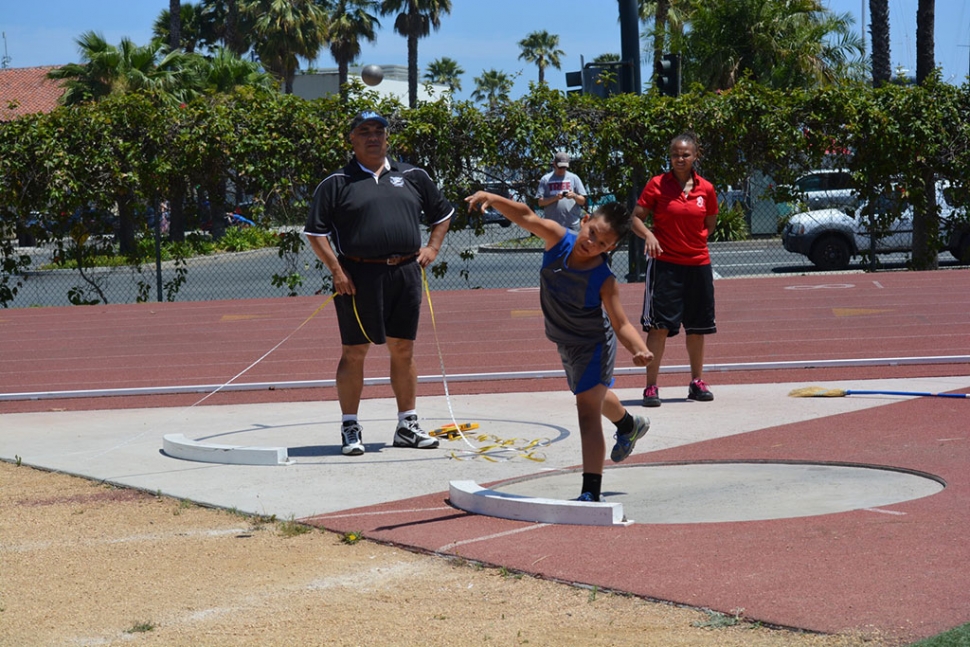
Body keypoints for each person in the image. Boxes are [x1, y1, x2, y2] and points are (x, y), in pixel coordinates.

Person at [465, 191, 652, 503]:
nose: (592, 243)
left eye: (602, 243)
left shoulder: (604, 278)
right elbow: (527, 216)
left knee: (586, 410)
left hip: (593, 344)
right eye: (591, 233)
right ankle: (629, 425)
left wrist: (639, 348)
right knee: (592, 394)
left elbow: (620, 323)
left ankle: (591, 491)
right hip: (564, 340)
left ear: (611, 248)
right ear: (584, 221)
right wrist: (493, 198)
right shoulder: (557, 239)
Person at [304, 110, 453, 456]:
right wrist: (337, 271)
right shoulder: (337, 182)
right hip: (357, 277)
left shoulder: (412, 175)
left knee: (403, 348)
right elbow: (316, 232)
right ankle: (350, 426)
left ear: (388, 137)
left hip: (405, 272)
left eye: (379, 130)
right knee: (354, 351)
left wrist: (432, 247)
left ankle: (407, 424)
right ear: (352, 140)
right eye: (364, 131)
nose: (373, 136)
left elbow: (442, 214)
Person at [631, 132, 718, 408]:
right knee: (658, 327)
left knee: (697, 327)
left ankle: (696, 382)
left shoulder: (706, 188)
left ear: (695, 156)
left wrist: (696, 241)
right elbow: (635, 218)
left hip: (698, 265)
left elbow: (711, 222)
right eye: (675, 154)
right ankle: (651, 386)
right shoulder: (657, 184)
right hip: (665, 267)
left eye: (685, 154)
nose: (680, 159)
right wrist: (649, 236)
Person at [535, 151, 588, 231]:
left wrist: (574, 196)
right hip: (552, 225)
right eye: (560, 167)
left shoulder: (574, 178)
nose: (562, 169)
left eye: (564, 167)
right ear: (554, 164)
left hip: (572, 225)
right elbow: (540, 202)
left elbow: (582, 201)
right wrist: (555, 198)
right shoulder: (546, 179)